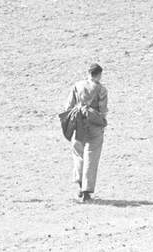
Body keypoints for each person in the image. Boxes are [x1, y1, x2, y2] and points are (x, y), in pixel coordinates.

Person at [65, 63, 108, 202]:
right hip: (95, 125)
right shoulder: (101, 89)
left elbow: (68, 107)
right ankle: (87, 192)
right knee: (92, 156)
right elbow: (103, 110)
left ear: (88, 72)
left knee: (78, 153)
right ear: (99, 74)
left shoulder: (77, 86)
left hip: (79, 124)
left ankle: (80, 183)